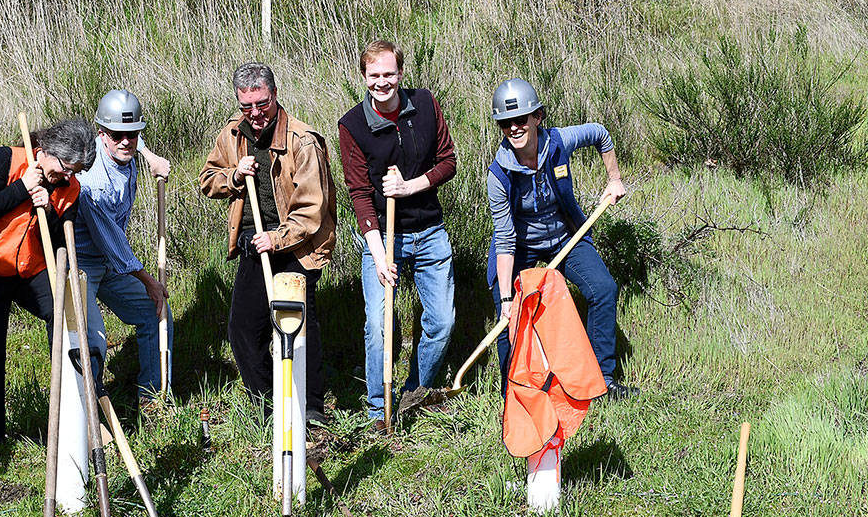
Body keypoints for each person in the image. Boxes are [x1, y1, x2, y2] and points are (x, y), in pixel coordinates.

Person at [199, 62, 336, 424]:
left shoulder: (303, 141)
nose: (256, 114)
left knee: (298, 326)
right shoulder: (232, 135)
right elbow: (207, 180)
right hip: (253, 245)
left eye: (262, 104)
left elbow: (312, 210)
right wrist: (233, 176)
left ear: (275, 96)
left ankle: (310, 408)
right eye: (247, 107)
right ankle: (268, 405)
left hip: (297, 247)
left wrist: (275, 238)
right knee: (243, 329)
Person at [485, 77, 636, 399]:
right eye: (505, 123)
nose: (514, 128)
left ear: (537, 117)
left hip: (566, 235)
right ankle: (514, 393)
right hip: (520, 245)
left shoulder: (559, 142)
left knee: (603, 289)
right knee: (508, 313)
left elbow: (600, 133)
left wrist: (615, 179)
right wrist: (508, 301)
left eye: (520, 120)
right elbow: (505, 238)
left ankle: (601, 381)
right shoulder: (499, 174)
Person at [337, 40, 457, 431]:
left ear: (401, 74)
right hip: (383, 238)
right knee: (379, 325)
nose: (382, 82)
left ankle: (414, 394)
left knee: (441, 322)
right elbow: (358, 192)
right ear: (364, 77)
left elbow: (448, 161)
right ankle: (378, 411)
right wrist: (377, 251)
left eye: (389, 74)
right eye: (374, 76)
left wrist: (411, 186)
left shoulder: (424, 104)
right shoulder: (352, 125)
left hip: (429, 231)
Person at [0, 117, 95, 443]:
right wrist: (21, 188)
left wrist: (50, 212)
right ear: (45, 151)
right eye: (64, 168)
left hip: (30, 270)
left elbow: (61, 244)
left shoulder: (69, 189)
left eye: (76, 171)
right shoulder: (10, 159)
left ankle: (71, 416)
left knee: (64, 314)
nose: (67, 176)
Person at [75, 89, 173, 404]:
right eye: (117, 135)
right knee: (93, 341)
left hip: (110, 263)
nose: (126, 141)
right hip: (82, 266)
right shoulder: (94, 183)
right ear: (101, 134)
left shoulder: (126, 146)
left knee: (155, 313)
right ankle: (91, 413)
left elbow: (131, 142)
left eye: (133, 134)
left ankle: (153, 398)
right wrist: (150, 282)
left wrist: (149, 156)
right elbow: (114, 245)